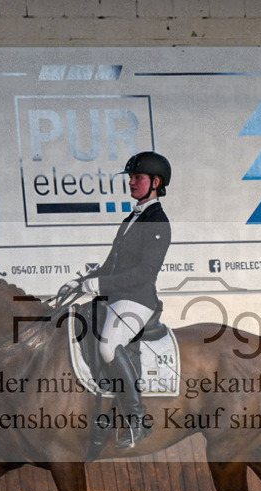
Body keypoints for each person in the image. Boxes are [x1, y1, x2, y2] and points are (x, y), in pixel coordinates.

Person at [66, 151, 172, 448]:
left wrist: (100, 283)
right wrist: (81, 282)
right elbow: (113, 264)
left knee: (108, 344)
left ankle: (138, 419)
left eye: (138, 178)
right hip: (116, 296)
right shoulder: (132, 218)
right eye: (131, 178)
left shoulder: (158, 222)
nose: (131, 183)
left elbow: (144, 273)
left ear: (155, 182)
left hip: (137, 300)